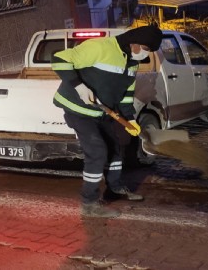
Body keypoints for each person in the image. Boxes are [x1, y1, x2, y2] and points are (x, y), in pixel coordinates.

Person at [51, 25, 163, 218]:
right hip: (77, 108)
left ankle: (115, 187)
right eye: (145, 48)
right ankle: (89, 203)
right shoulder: (100, 47)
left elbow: (126, 95)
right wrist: (78, 86)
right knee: (97, 151)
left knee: (116, 149)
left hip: (102, 111)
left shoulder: (131, 63)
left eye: (149, 51)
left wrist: (129, 119)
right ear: (134, 43)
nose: (145, 54)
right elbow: (59, 59)